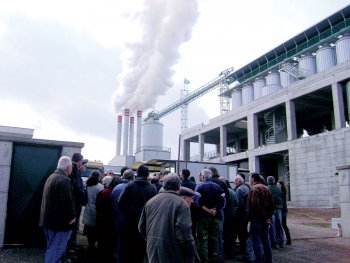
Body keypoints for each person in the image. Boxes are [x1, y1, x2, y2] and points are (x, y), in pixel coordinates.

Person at [139, 174, 198, 263]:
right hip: (173, 252)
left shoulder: (150, 202)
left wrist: (152, 239)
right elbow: (184, 234)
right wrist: (192, 252)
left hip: (153, 250)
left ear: (164, 185)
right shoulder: (181, 204)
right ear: (179, 187)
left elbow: (141, 227)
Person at [39, 156, 76, 263]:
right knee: (55, 252)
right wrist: (72, 217)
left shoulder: (51, 177)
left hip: (47, 221)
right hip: (59, 224)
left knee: (52, 249)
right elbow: (67, 201)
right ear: (68, 167)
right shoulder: (64, 180)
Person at [118, 165, 157, 263]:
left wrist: (128, 213)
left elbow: (120, 202)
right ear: (148, 175)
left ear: (137, 174)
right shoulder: (152, 189)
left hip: (130, 222)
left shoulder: (130, 186)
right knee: (140, 250)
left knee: (128, 249)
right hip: (145, 224)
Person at [195, 168, 225, 263]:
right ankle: (214, 259)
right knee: (214, 240)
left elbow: (197, 202)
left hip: (203, 218)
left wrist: (207, 210)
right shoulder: (218, 187)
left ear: (203, 177)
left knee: (203, 241)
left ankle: (205, 260)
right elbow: (223, 202)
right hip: (215, 217)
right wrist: (215, 210)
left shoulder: (199, 186)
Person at [248, 173, 274, 263]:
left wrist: (263, 216)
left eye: (250, 178)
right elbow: (271, 204)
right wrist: (268, 217)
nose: (249, 180)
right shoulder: (266, 188)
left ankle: (259, 260)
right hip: (265, 219)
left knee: (257, 241)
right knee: (266, 240)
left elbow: (255, 205)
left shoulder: (254, 189)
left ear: (253, 179)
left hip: (257, 218)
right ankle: (269, 260)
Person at [110, 169, 135, 263]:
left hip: (118, 219)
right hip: (130, 221)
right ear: (132, 178)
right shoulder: (133, 187)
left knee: (121, 244)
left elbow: (112, 203)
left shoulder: (116, 188)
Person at [208, 167, 228, 263]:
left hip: (208, 212)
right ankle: (219, 257)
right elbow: (226, 198)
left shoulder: (207, 183)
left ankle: (210, 256)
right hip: (220, 212)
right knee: (219, 235)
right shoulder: (222, 183)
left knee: (209, 235)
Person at [96, 176, 119, 263]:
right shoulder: (116, 192)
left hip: (103, 219)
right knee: (111, 239)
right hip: (112, 219)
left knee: (103, 239)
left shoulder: (104, 192)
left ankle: (102, 255)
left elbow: (98, 205)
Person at [83, 171, 104, 255]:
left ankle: (90, 245)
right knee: (95, 229)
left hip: (88, 208)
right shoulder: (100, 187)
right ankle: (94, 247)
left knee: (89, 229)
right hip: (96, 209)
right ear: (98, 177)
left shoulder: (88, 185)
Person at [67, 153, 85, 253]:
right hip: (76, 201)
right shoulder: (74, 168)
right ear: (79, 161)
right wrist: (82, 194)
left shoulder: (73, 167)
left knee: (73, 226)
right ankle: (69, 247)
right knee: (73, 225)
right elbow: (76, 185)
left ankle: (70, 246)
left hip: (75, 200)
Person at [232, 174, 250, 255]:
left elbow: (238, 204)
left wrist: (234, 213)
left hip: (240, 215)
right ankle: (245, 248)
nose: (234, 182)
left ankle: (242, 250)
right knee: (244, 232)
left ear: (239, 181)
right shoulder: (246, 187)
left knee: (240, 233)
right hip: (245, 213)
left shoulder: (239, 190)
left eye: (235, 181)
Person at [267, 176, 284, 248]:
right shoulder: (279, 189)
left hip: (271, 209)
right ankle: (281, 241)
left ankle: (273, 242)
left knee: (272, 227)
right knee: (280, 226)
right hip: (279, 209)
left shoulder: (267, 188)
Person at [278, 180, 292, 245]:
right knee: (284, 225)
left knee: (283, 225)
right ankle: (288, 239)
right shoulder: (283, 192)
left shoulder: (281, 193)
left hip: (282, 210)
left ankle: (287, 240)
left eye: (279, 185)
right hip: (284, 210)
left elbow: (282, 202)